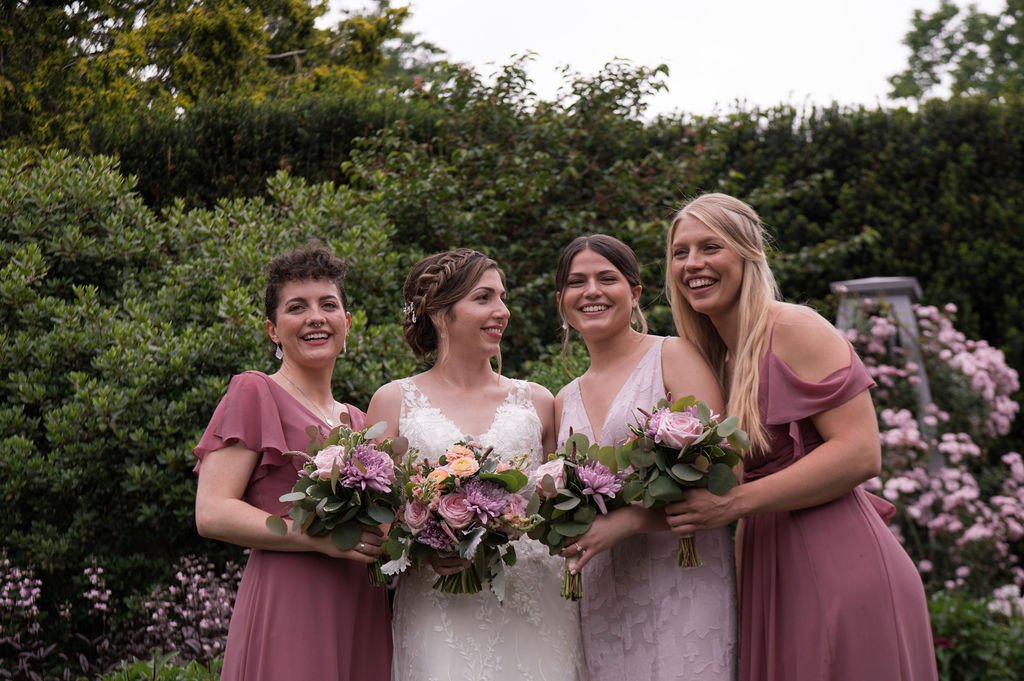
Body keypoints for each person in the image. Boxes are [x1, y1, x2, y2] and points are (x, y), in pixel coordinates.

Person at [661, 193, 938, 681]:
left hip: (838, 564)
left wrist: (732, 504)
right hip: (771, 565)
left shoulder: (793, 327)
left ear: (748, 253)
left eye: (710, 247)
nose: (693, 264)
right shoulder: (716, 359)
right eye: (680, 252)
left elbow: (860, 452)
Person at [367, 248, 585, 681]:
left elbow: (558, 506)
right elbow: (379, 518)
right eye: (484, 298)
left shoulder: (537, 401)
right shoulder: (393, 401)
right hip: (440, 603)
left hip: (533, 598)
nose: (501, 311)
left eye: (502, 297)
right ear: (439, 312)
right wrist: (424, 549)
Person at [193, 244, 392, 681]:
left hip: (360, 600)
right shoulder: (254, 392)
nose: (315, 317)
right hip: (291, 595)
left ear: (347, 323)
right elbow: (212, 512)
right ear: (273, 330)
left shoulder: (361, 421)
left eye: (328, 305)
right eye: (296, 308)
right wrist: (314, 538)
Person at [553, 234, 737, 681]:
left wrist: (630, 521)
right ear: (561, 302)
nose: (591, 291)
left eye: (607, 278)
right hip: (601, 598)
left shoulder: (672, 355)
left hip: (680, 577)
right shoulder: (564, 398)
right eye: (577, 282)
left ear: (634, 292)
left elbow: (725, 475)